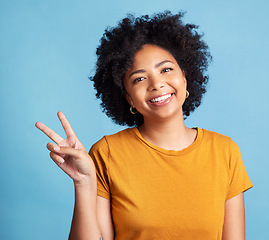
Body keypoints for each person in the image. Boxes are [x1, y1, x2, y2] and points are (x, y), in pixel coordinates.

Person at [36, 11, 252, 240]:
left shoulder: (225, 151)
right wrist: (83, 183)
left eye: (166, 69)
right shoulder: (107, 153)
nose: (157, 84)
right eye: (139, 78)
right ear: (129, 97)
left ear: (185, 77)